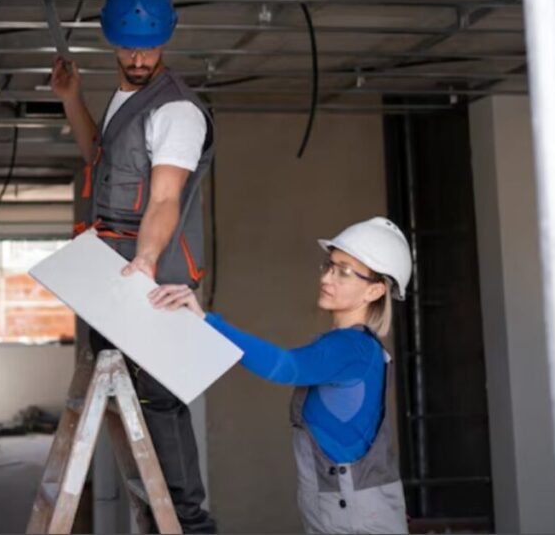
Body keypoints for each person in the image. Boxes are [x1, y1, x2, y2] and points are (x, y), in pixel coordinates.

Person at [51, 0, 217, 533]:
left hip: (151, 279)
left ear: (167, 39)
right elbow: (102, 158)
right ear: (112, 41)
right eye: (128, 46)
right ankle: (155, 517)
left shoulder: (176, 112)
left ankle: (189, 527)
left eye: (148, 46)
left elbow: (166, 196)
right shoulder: (128, 98)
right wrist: (71, 100)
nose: (140, 57)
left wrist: (145, 261)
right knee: (129, 403)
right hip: (110, 277)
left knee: (162, 406)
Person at [149, 217, 413, 534]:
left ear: (374, 290)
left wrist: (208, 321)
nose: (328, 277)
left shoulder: (351, 348)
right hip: (346, 507)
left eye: (344, 271)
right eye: (329, 265)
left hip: (354, 515)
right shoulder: (354, 347)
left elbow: (285, 367)